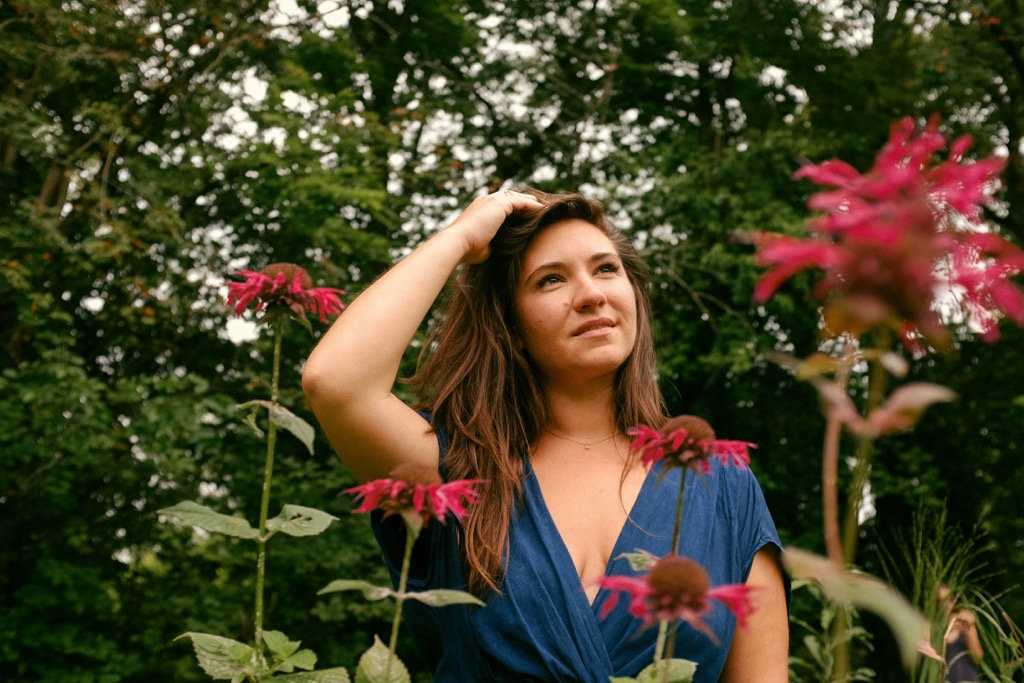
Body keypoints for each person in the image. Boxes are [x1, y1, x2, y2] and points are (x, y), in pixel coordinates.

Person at [302, 188, 789, 681]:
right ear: (511, 326)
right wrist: (460, 238)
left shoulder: (724, 488)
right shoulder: (451, 473)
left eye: (606, 269)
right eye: (551, 279)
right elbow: (336, 383)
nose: (592, 294)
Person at [939, 585, 983, 682]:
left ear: (953, 600)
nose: (945, 605)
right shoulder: (931, 628)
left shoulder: (964, 622)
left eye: (948, 600)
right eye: (940, 601)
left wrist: (970, 628)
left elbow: (977, 659)